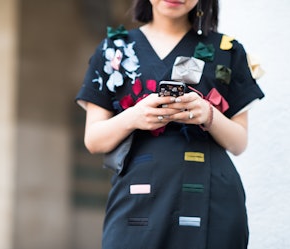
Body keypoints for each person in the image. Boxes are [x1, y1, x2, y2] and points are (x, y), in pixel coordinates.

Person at [75, 0, 265, 248]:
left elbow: (239, 142)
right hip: (136, 200)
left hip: (211, 199)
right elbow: (94, 139)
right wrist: (134, 116)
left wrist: (208, 114)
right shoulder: (113, 50)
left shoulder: (227, 50)